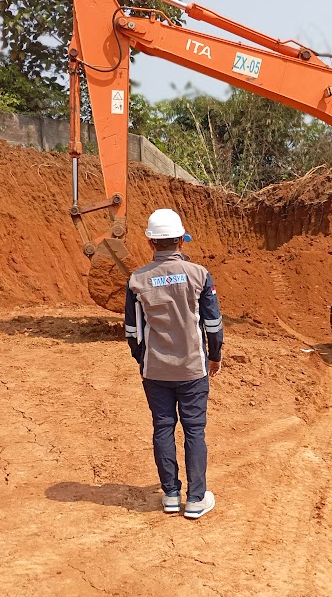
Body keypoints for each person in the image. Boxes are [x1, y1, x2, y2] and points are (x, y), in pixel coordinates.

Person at [124, 209, 223, 520]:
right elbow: (213, 323)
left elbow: (132, 331)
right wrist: (215, 355)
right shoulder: (199, 274)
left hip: (155, 370)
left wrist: (143, 360)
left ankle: (169, 495)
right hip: (193, 368)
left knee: (163, 428)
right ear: (181, 239)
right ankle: (195, 499)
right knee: (194, 431)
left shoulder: (137, 280)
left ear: (151, 242)